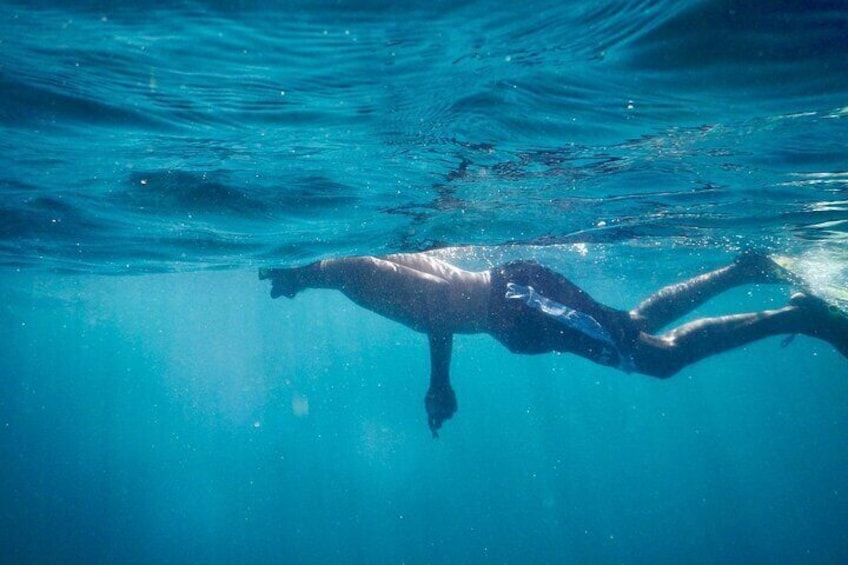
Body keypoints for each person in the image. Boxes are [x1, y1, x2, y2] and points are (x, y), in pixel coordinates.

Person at [259, 251, 848, 436]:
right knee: (635, 330)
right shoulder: (365, 287)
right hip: (518, 317)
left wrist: (303, 276)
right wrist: (439, 380)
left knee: (656, 357)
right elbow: (433, 313)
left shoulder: (357, 278)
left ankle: (799, 313)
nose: (281, 296)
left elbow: (352, 265)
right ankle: (746, 273)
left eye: (285, 284)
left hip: (521, 305)